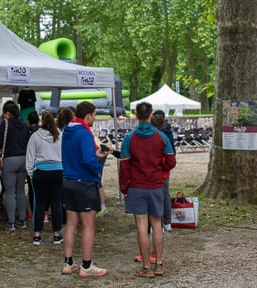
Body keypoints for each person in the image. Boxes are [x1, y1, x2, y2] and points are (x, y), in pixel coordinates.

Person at [120, 102, 177, 277]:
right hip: (156, 185)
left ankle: (146, 267)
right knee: (157, 225)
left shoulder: (129, 138)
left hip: (136, 186)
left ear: (136, 116)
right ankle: (159, 264)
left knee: (141, 227)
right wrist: (160, 169)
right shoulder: (161, 137)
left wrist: (124, 188)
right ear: (151, 115)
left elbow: (124, 166)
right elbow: (171, 161)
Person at [61, 102, 110, 277]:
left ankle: (68, 263)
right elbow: (88, 160)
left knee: (71, 223)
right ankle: (87, 265)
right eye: (94, 115)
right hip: (84, 182)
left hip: (68, 179)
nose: (94, 119)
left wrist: (96, 155)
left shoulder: (67, 131)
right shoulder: (84, 133)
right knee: (88, 224)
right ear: (88, 115)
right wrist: (97, 169)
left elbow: (77, 154)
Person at [26, 112, 64, 246]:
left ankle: (37, 235)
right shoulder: (59, 135)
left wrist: (31, 173)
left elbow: (30, 157)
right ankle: (57, 234)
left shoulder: (35, 136)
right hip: (57, 171)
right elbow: (63, 153)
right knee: (56, 203)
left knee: (39, 204)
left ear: (41, 121)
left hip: (40, 172)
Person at [0, 100, 30, 230]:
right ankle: (22, 220)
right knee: (20, 191)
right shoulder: (24, 125)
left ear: (8, 113)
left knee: (10, 192)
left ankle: (11, 222)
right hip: (23, 159)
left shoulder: (5, 124)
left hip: (10, 159)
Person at [151, 110, 174, 232]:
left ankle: (158, 223)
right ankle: (166, 222)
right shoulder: (167, 133)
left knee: (155, 195)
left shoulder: (156, 135)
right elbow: (171, 152)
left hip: (155, 168)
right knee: (164, 194)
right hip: (164, 168)